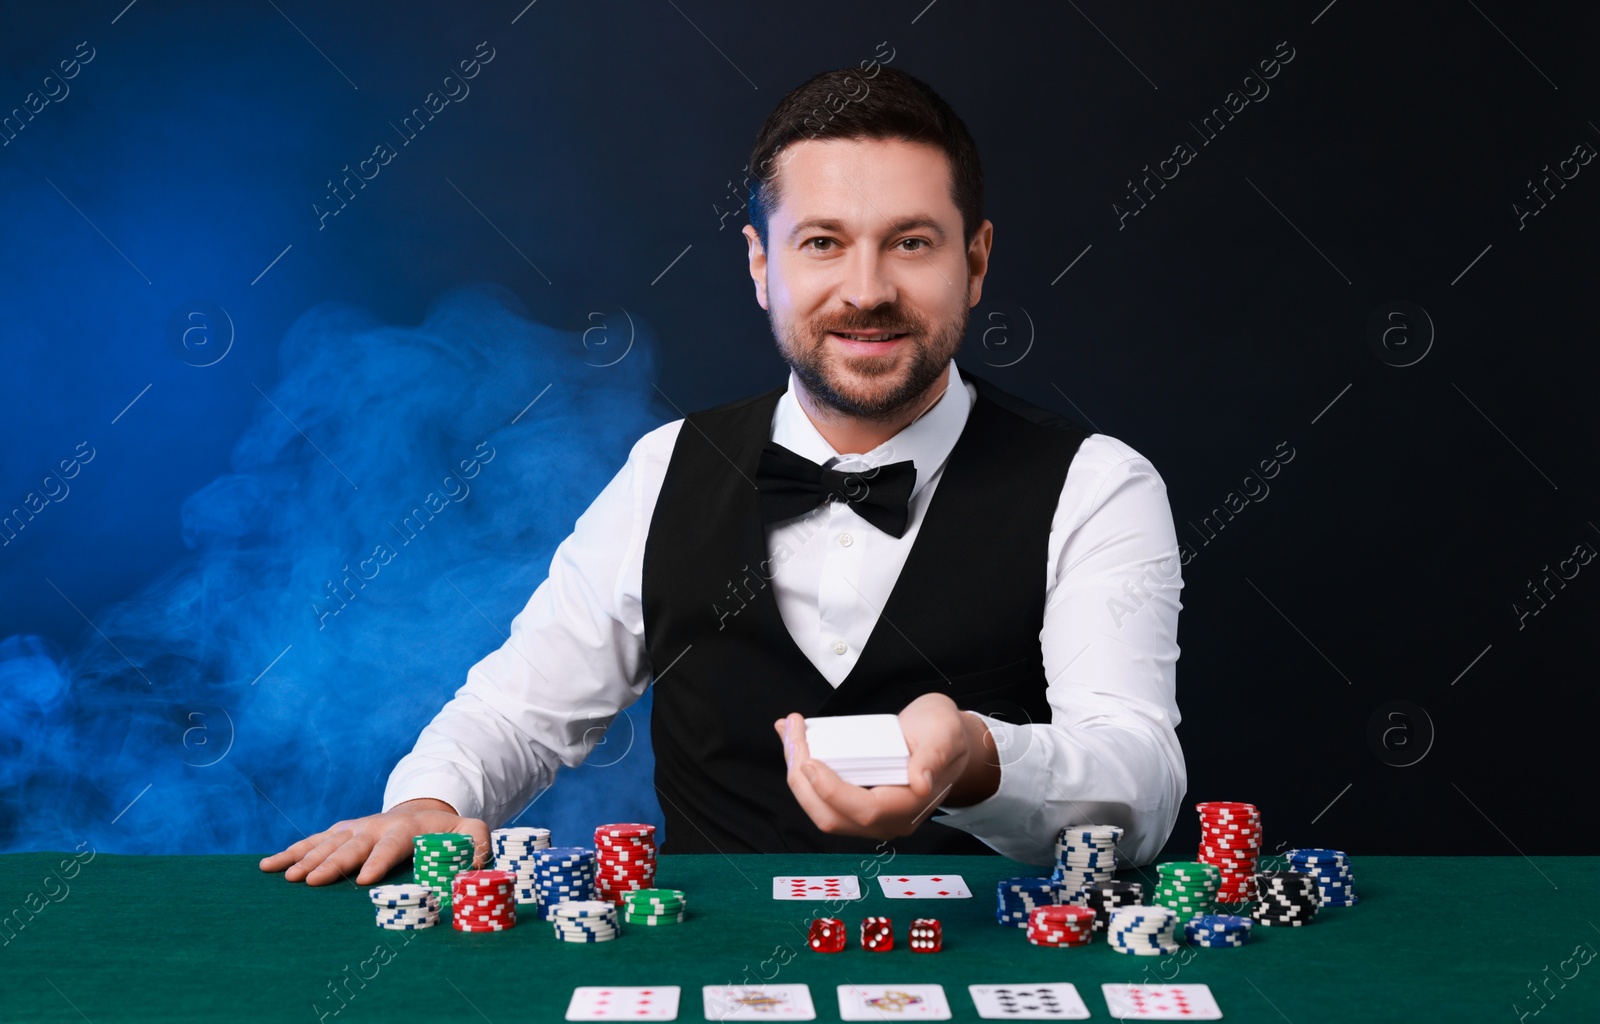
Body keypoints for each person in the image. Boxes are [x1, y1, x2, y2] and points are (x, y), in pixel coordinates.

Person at [261, 65, 1186, 887]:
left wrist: (980, 760)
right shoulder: (665, 470)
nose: (866, 289)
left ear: (975, 262)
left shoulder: (1098, 485)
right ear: (760, 265)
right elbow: (516, 711)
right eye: (822, 242)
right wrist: (431, 800)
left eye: (912, 242)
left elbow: (1142, 785)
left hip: (995, 979)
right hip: (709, 987)